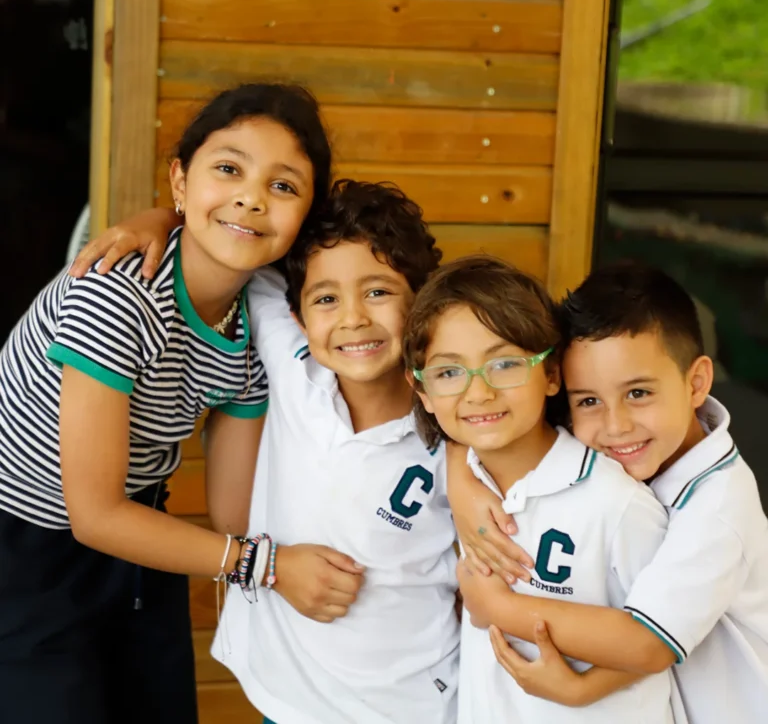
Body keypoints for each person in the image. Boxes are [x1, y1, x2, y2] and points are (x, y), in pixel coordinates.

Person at [0, 82, 331, 724]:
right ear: (180, 181)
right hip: (25, 546)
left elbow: (234, 514)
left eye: (284, 186)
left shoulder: (255, 325)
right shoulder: (117, 298)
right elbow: (91, 515)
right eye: (228, 168)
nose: (251, 197)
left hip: (138, 542)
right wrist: (266, 566)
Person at [72, 179, 461, 724]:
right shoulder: (292, 359)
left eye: (378, 291)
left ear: (420, 300)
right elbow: (236, 246)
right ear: (298, 314)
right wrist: (161, 219)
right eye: (326, 299)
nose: (352, 318)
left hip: (410, 705)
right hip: (284, 698)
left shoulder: (460, 429)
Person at [448, 262, 768, 723]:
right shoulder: (617, 450)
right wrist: (460, 480)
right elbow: (488, 428)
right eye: (589, 400)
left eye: (638, 393)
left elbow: (649, 642)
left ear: (696, 383)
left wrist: (500, 608)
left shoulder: (719, 506)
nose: (615, 425)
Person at [402, 255, 682, 722]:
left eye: (505, 363)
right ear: (424, 392)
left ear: (552, 374)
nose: (478, 392)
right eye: (450, 372)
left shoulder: (617, 503)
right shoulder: (457, 477)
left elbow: (666, 641)